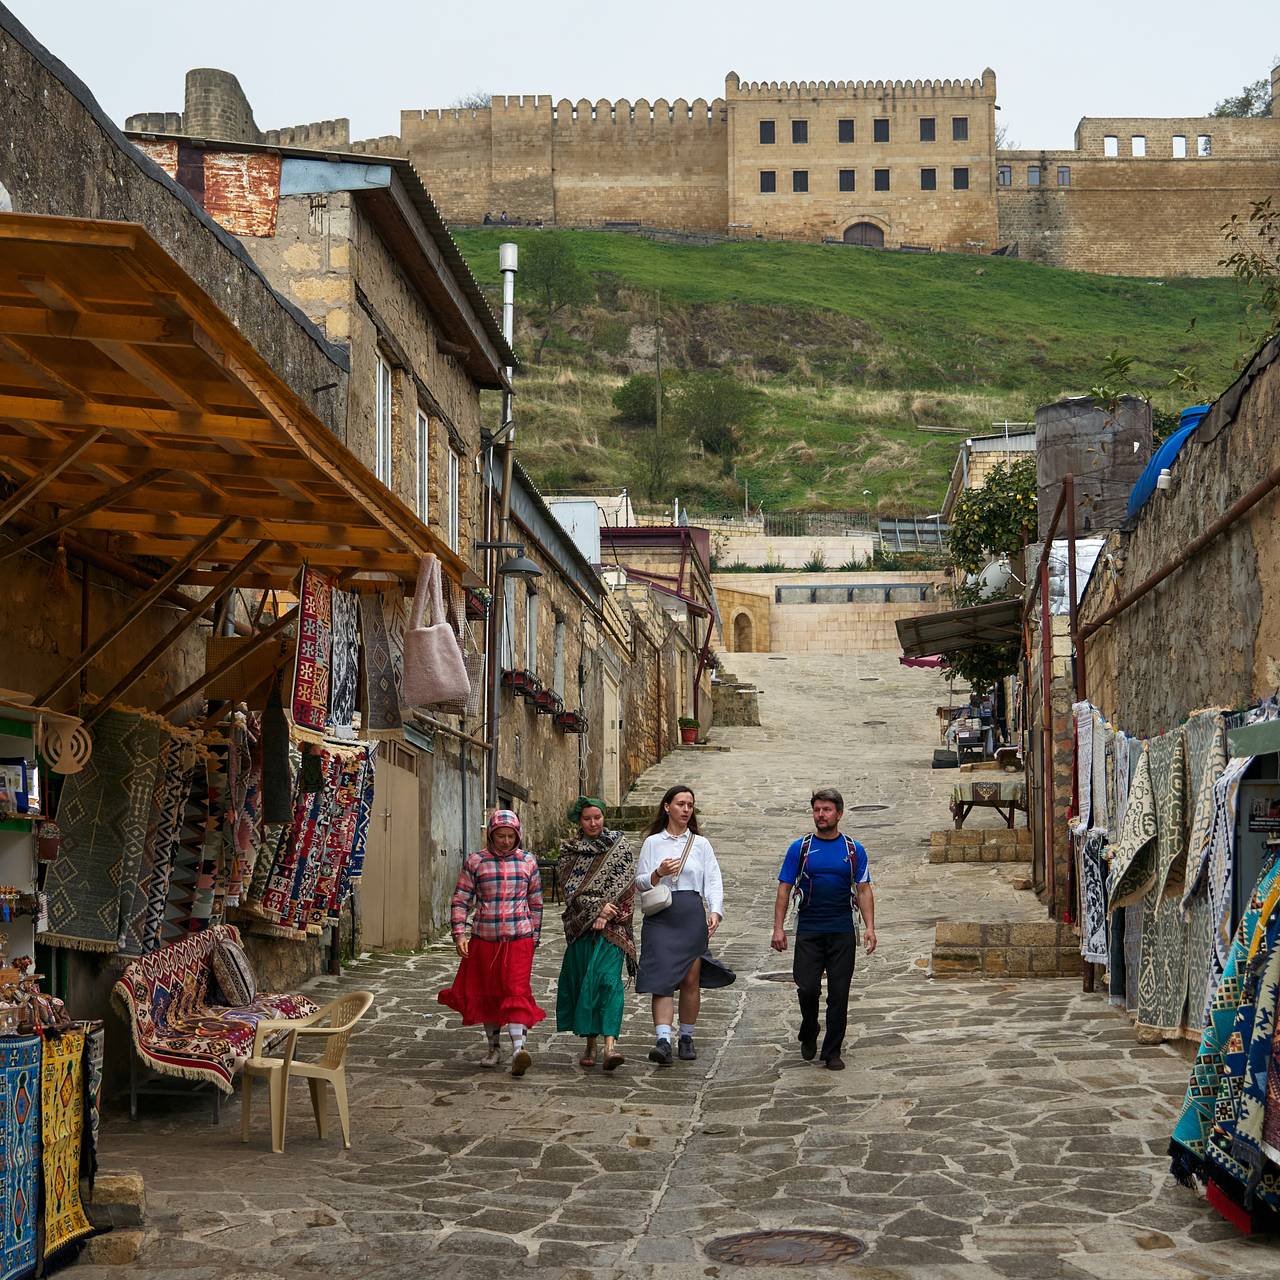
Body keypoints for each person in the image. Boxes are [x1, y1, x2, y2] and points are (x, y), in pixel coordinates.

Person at [770, 788, 877, 1071]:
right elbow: (785, 887)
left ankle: (832, 1052)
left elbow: (863, 889)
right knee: (806, 987)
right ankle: (809, 1027)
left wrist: (870, 927)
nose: (821, 815)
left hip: (842, 929)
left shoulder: (853, 850)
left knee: (839, 994)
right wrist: (778, 928)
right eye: (817, 809)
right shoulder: (800, 848)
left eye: (827, 810)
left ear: (839, 814)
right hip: (809, 928)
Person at [438, 810, 545, 1076]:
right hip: (485, 939)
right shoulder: (476, 862)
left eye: (511, 836)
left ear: (518, 835)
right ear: (491, 835)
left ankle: (519, 1050)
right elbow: (461, 899)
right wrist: (459, 933)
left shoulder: (528, 862)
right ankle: (493, 1047)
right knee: (489, 993)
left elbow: (536, 902)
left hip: (519, 937)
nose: (506, 841)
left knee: (516, 990)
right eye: (501, 836)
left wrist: (535, 935)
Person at [634, 785, 735, 1066]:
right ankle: (663, 1040)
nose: (686, 809)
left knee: (691, 979)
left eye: (690, 804)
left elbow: (713, 881)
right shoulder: (652, 843)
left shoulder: (701, 845)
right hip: (661, 917)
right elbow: (640, 882)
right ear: (667, 807)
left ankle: (687, 1036)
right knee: (662, 979)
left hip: (690, 915)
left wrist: (715, 911)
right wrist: (658, 873)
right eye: (680, 804)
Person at [556, 796, 637, 1071]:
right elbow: (571, 891)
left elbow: (627, 886)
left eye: (598, 817)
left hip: (614, 929)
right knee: (585, 983)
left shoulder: (619, 846)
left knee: (608, 982)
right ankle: (590, 1042)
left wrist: (608, 913)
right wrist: (596, 911)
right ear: (579, 821)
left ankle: (610, 1046)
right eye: (588, 818)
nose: (594, 823)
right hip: (581, 928)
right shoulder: (570, 852)